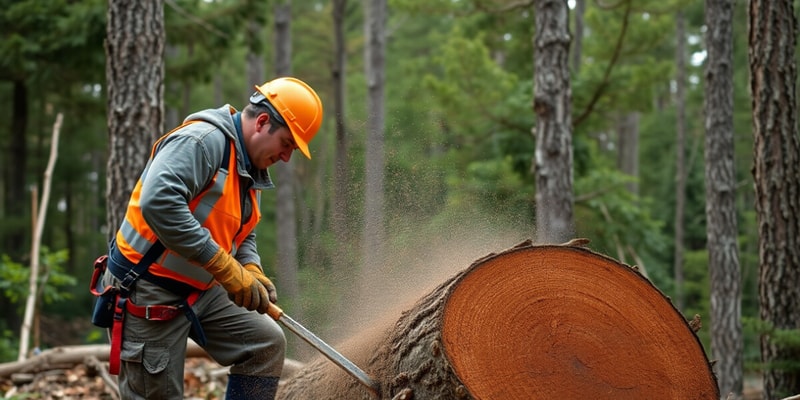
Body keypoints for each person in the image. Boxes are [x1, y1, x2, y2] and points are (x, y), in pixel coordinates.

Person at [100, 77, 323, 399]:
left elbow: (240, 231)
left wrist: (249, 266)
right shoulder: (201, 143)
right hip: (149, 288)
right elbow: (159, 203)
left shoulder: (247, 167)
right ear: (262, 122)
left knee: (265, 345)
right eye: (287, 143)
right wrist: (223, 266)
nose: (287, 157)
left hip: (202, 288)